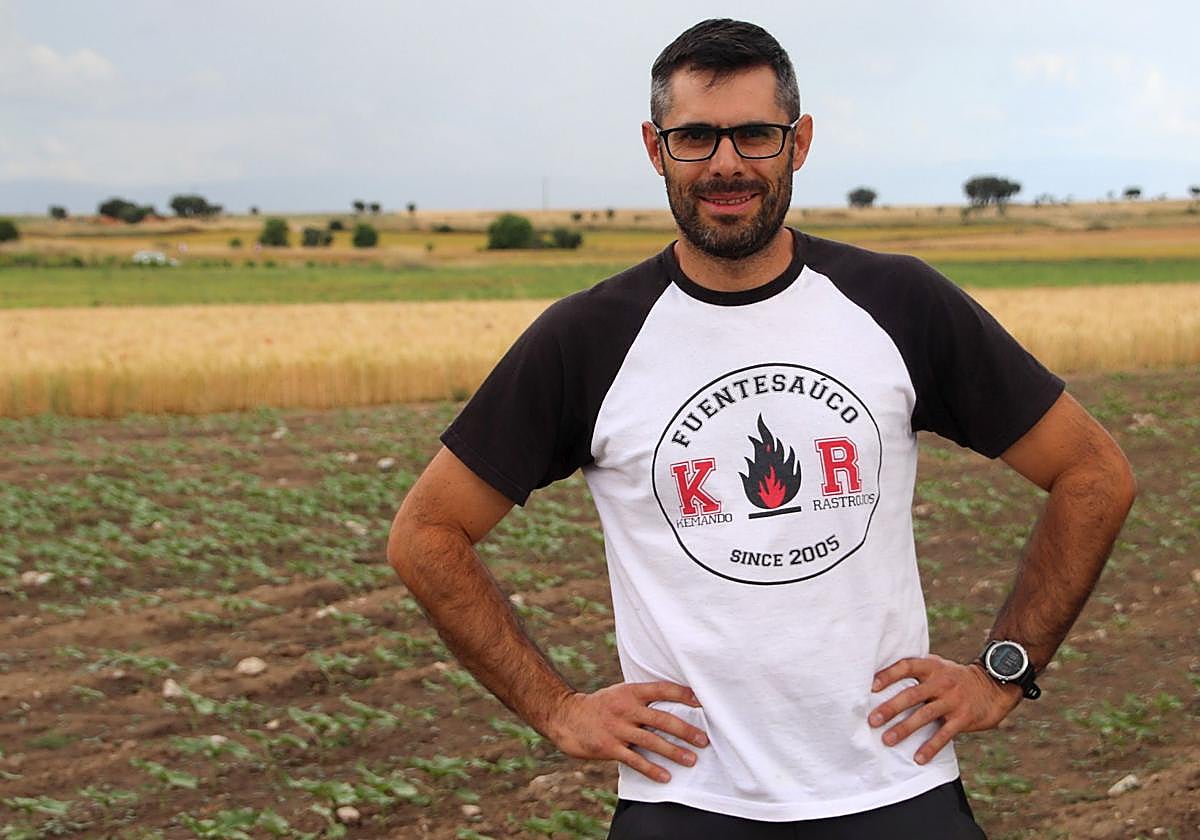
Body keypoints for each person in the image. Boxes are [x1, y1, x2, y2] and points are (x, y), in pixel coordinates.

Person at [388, 18, 1136, 839]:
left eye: (755, 134)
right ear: (654, 147)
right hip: (685, 801)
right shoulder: (588, 338)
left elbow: (1093, 474)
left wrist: (1006, 669)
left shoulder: (900, 303)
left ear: (799, 141)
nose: (726, 163)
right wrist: (558, 709)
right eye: (695, 137)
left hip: (893, 786)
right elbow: (427, 533)